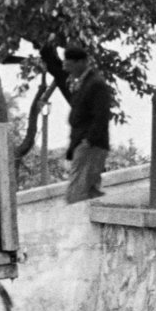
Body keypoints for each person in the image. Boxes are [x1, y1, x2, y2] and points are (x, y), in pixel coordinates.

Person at [63, 46, 112, 203]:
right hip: (84, 142)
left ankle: (72, 223)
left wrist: (89, 140)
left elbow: (101, 115)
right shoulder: (84, 83)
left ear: (81, 63)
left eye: (70, 65)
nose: (67, 69)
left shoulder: (95, 84)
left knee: (77, 190)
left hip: (90, 144)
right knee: (88, 189)